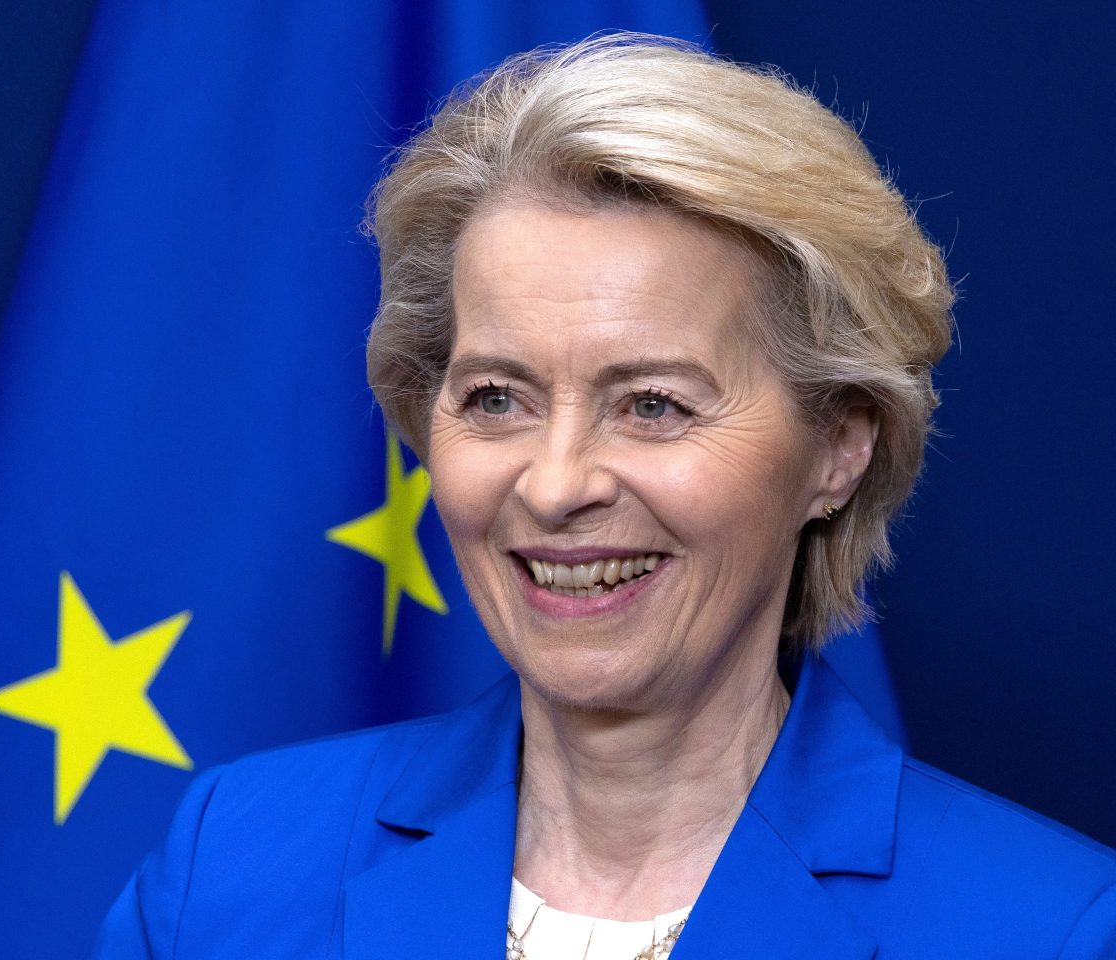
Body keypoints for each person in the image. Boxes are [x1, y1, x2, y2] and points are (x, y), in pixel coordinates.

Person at [90, 33, 1116, 959]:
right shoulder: (228, 868)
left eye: (653, 406)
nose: (556, 485)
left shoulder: (1048, 930)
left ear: (838, 449)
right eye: (497, 398)